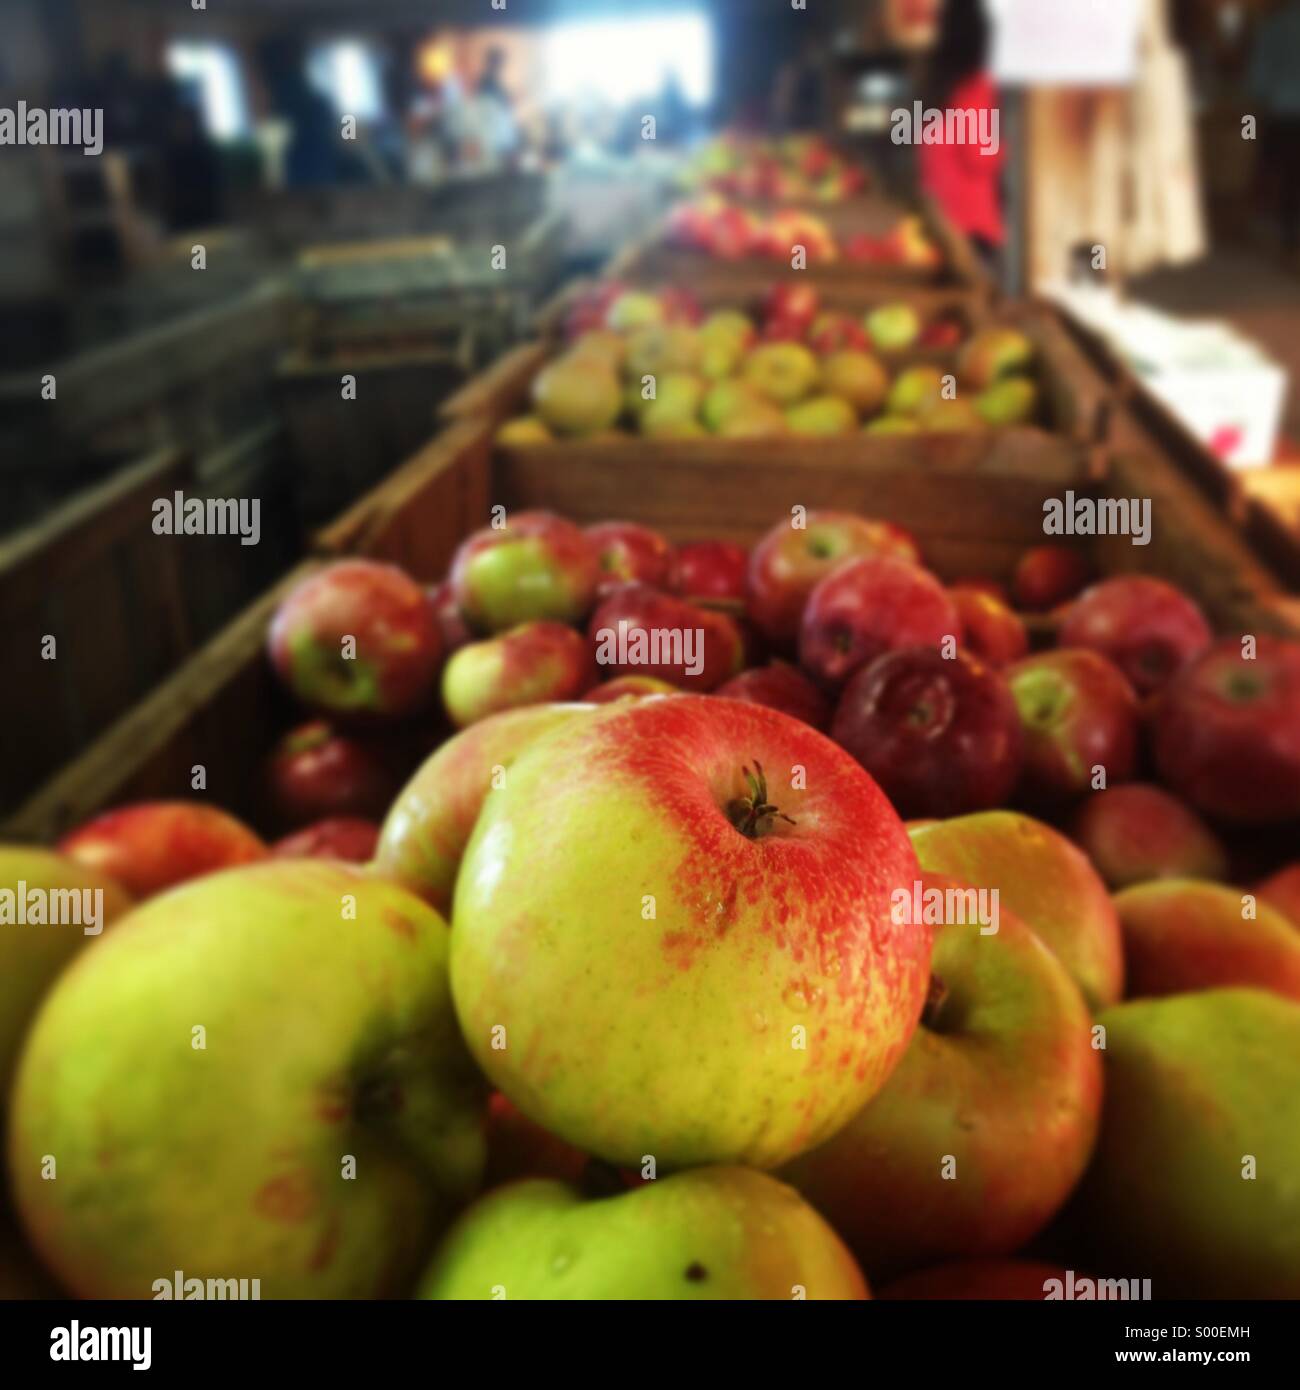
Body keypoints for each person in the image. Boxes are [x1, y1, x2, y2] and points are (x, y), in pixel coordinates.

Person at [917, 0, 1004, 275]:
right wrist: (1005, 150)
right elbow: (979, 155)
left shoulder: (934, 80)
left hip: (937, 221)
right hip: (971, 227)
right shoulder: (977, 84)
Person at [1247, 0, 1300, 261]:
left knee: (1287, 174)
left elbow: (1258, 80)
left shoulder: (1273, 27)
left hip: (1283, 111)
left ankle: (1288, 236)